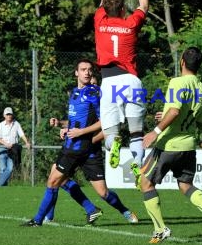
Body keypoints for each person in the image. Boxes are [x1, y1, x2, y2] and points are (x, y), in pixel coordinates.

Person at [22, 59, 137, 227]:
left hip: (80, 147)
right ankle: (86, 210)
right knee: (64, 182)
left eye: (90, 70)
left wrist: (81, 133)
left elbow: (106, 121)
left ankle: (40, 220)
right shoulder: (75, 93)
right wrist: (61, 124)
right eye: (83, 69)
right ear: (76, 73)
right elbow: (77, 122)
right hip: (78, 147)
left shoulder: (94, 93)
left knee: (61, 182)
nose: (87, 72)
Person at [141, 47, 202, 244]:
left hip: (169, 144)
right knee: (186, 185)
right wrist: (167, 113)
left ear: (182, 63)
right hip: (188, 145)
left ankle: (160, 229)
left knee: (145, 182)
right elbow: (198, 119)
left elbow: (176, 112)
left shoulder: (177, 82)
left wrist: (155, 131)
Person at [94, 0, 149, 186]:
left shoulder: (100, 21)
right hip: (131, 81)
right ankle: (137, 164)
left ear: (106, 8)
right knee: (137, 133)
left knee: (110, 135)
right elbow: (144, 5)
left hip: (110, 81)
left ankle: (115, 144)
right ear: (124, 8)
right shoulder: (130, 24)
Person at [0, 107, 31, 186]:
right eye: (7, 114)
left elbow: (21, 134)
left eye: (10, 114)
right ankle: (2, 187)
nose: (9, 116)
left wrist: (27, 142)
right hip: (2, 148)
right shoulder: (0, 125)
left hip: (13, 150)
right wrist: (5, 144)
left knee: (10, 169)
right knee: (2, 169)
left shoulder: (16, 124)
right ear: (4, 115)